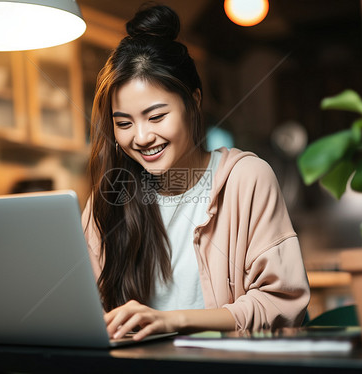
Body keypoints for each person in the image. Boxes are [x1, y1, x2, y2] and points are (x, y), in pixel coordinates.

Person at [82, 4, 310, 342]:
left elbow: (283, 303)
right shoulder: (111, 195)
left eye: (157, 117)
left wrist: (172, 320)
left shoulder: (246, 178)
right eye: (124, 123)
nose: (142, 137)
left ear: (194, 102)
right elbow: (86, 307)